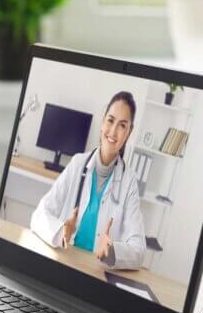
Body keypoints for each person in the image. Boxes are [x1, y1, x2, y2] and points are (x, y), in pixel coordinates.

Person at [29, 91, 146, 270]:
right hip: (64, 262)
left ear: (129, 132)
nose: (113, 131)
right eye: (110, 120)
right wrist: (61, 231)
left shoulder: (129, 181)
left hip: (97, 272)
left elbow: (139, 250)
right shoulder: (77, 163)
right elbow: (39, 215)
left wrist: (113, 251)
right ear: (102, 121)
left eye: (122, 125)